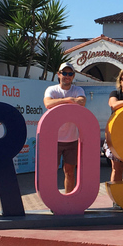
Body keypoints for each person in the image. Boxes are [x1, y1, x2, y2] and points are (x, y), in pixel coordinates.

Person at [44, 62, 86, 194]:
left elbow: (82, 102)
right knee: (51, 172)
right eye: (64, 73)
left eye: (70, 74)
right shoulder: (52, 89)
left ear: (73, 76)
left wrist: (62, 101)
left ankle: (68, 200)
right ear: (58, 74)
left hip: (72, 140)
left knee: (69, 172)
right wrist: (69, 99)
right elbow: (48, 103)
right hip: (53, 140)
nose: (67, 76)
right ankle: (52, 200)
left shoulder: (78, 90)